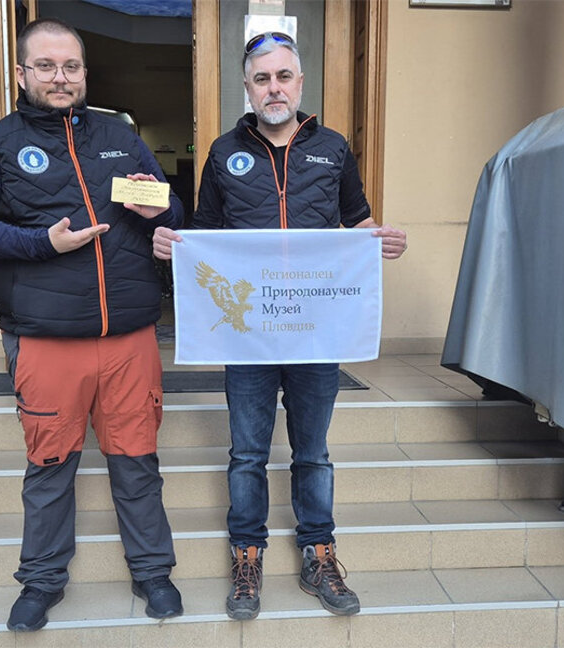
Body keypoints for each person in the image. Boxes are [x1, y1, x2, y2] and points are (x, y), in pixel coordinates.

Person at [152, 31, 407, 621]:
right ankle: (247, 559)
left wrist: (378, 240)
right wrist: (173, 241)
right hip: (250, 331)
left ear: (300, 81)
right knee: (246, 454)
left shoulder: (334, 148)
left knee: (313, 454)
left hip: (317, 329)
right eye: (262, 78)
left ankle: (320, 556)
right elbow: (206, 237)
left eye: (284, 76)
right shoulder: (222, 152)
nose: (274, 87)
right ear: (247, 86)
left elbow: (357, 221)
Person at [0, 17, 184, 632]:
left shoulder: (118, 135)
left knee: (137, 460)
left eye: (71, 67)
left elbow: (167, 203)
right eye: (46, 66)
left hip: (130, 335)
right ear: (22, 74)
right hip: (47, 339)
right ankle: (42, 581)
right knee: (50, 467)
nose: (60, 77)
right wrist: (40, 243)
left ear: (83, 73)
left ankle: (154, 573)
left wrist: (156, 211)